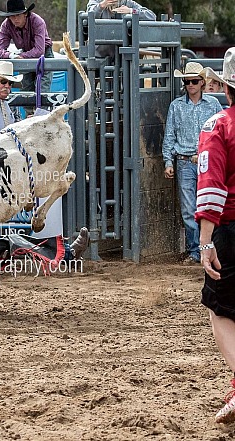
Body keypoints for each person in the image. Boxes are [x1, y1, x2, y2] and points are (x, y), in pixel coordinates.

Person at [0, 61, 90, 258]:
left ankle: (62, 253)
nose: (7, 87)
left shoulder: (2, 105)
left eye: (10, 83)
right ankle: (63, 254)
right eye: (3, 82)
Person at [195, 47, 235, 425]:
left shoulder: (218, 125)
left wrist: (205, 241)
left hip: (230, 228)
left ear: (225, 87)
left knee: (219, 307)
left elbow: (211, 188)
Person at [162, 62, 222, 264]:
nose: (190, 85)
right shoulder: (176, 106)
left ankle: (203, 249)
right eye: (187, 81)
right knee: (190, 209)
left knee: (207, 206)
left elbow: (220, 133)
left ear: (202, 82)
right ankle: (196, 251)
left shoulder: (213, 104)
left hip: (205, 161)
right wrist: (168, 161)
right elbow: (169, 135)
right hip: (186, 161)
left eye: (194, 81)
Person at [0, 0, 53, 114]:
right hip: (24, 54)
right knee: (26, 89)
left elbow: (39, 50)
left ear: (25, 13)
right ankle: (29, 118)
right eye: (12, 16)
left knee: (42, 90)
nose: (15, 19)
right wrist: (12, 55)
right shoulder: (6, 25)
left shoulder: (37, 21)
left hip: (44, 55)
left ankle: (41, 120)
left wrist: (20, 56)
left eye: (18, 15)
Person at [86, 0, 156, 59]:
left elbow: (151, 16)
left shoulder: (127, 3)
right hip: (97, 55)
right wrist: (101, 6)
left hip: (121, 56)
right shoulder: (96, 1)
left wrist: (131, 11)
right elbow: (88, 15)